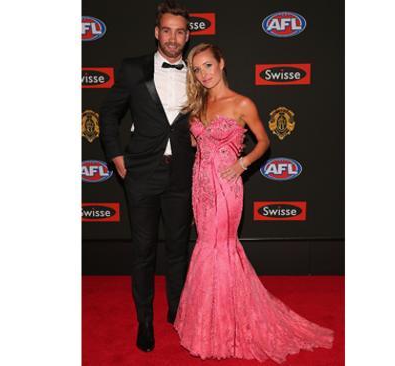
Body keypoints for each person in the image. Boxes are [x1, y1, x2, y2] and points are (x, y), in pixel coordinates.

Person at [173, 43, 334, 364]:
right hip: (202, 187)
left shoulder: (242, 103)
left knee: (219, 248)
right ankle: (208, 322)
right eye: (197, 69)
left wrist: (242, 162)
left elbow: (264, 142)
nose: (203, 74)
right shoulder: (198, 104)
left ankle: (224, 327)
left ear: (221, 63)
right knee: (206, 245)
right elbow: (196, 143)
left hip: (227, 187)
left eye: (208, 65)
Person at [99, 0, 193, 353]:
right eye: (166, 30)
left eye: (179, 31)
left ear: (187, 35)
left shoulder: (198, 71)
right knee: (143, 252)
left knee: (178, 251)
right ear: (157, 32)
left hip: (182, 172)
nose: (172, 38)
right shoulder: (133, 69)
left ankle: (177, 311)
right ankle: (144, 321)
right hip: (140, 173)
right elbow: (108, 114)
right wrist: (116, 158)